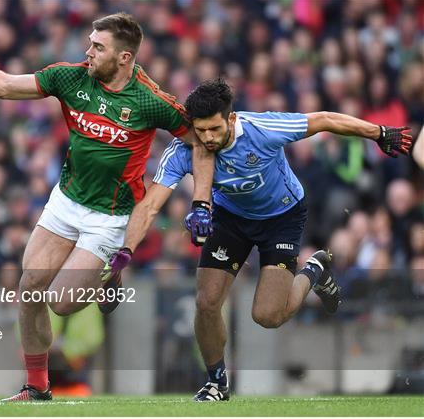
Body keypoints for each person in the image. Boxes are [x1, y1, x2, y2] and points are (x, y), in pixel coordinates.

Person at [0, 13, 214, 401]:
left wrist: (202, 200)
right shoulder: (70, 77)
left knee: (61, 303)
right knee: (29, 289)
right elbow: (6, 85)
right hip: (65, 201)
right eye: (90, 42)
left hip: (109, 218)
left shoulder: (151, 101)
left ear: (125, 57)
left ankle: (109, 278)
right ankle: (37, 387)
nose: (88, 51)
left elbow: (203, 141)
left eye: (98, 46)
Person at [103, 78, 413, 401]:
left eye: (214, 129)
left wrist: (378, 133)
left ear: (231, 119)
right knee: (206, 302)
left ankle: (315, 270)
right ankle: (217, 382)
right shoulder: (185, 148)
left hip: (282, 217)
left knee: (267, 315)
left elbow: (324, 119)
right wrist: (126, 251)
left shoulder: (262, 128)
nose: (207, 138)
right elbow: (152, 203)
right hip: (232, 220)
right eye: (201, 130)